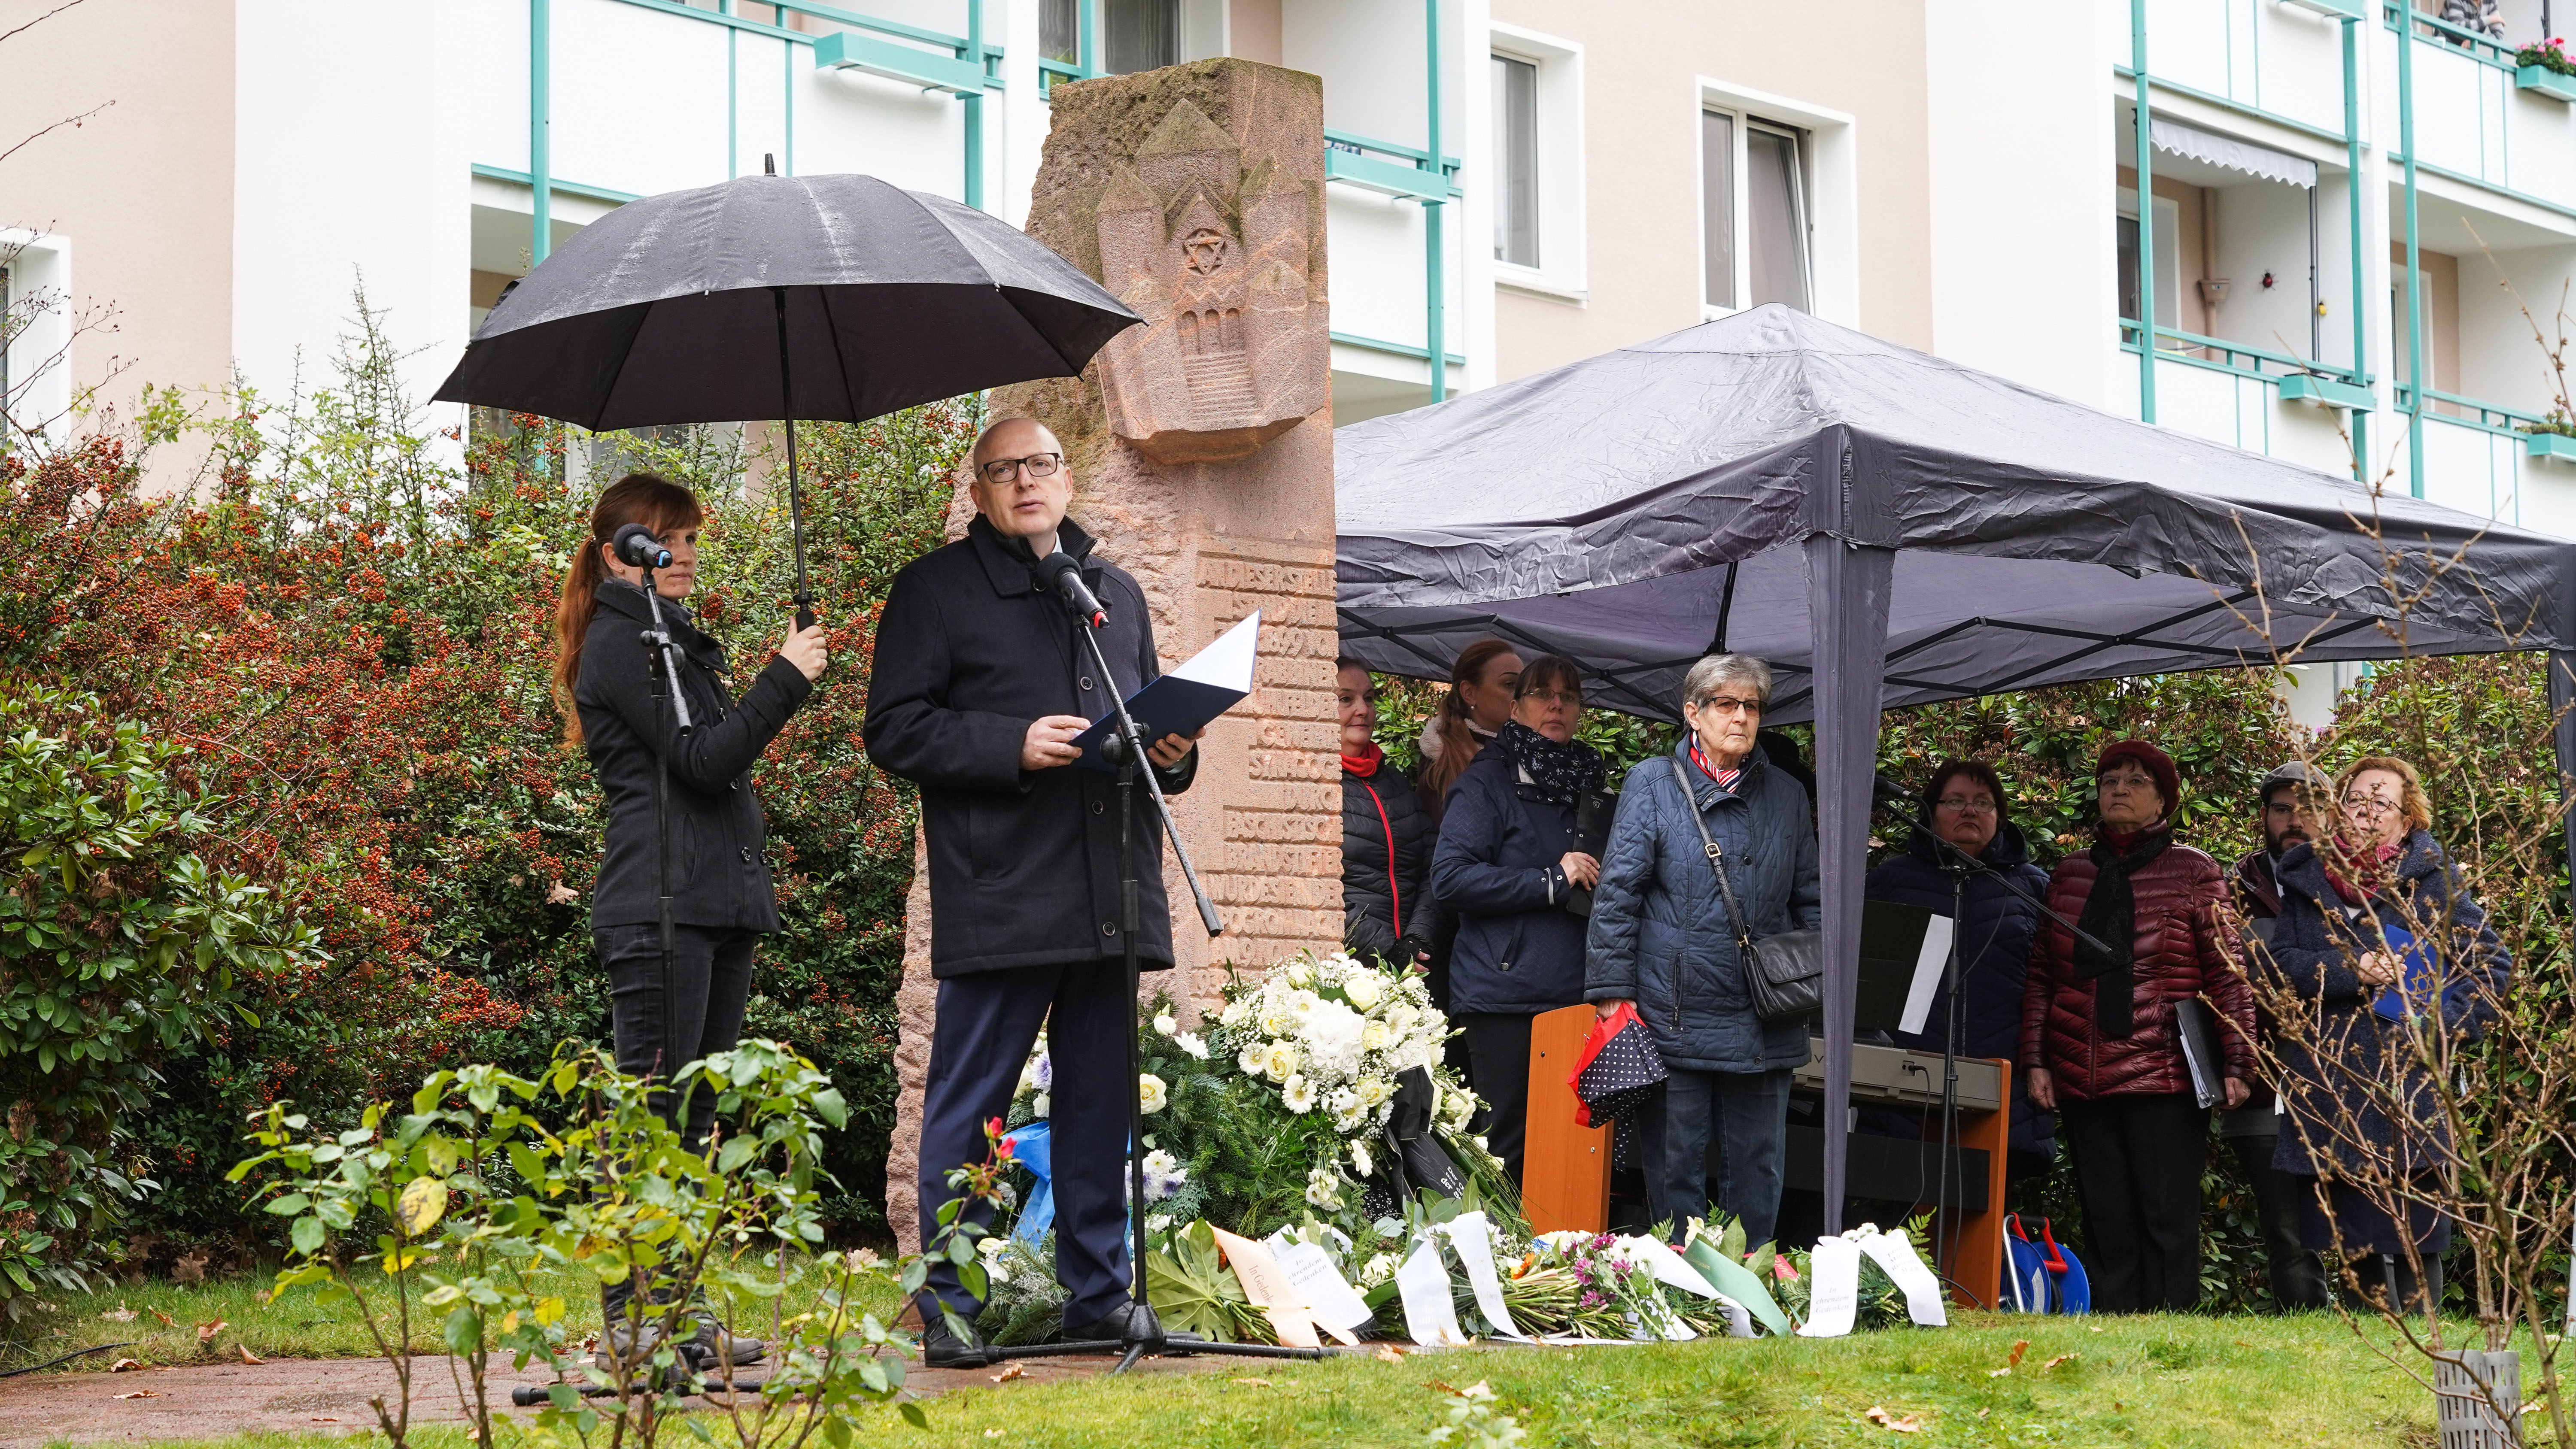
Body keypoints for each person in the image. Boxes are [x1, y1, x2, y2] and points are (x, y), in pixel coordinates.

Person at [862, 417, 1203, 1366]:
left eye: (1041, 465)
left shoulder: (1114, 593)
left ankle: (1099, 1295)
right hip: (1004, 886)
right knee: (974, 1105)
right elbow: (893, 727)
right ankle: (951, 1302)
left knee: (1101, 1101)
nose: (1025, 482)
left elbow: (1141, 720)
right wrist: (1005, 742)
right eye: (1004, 470)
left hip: (1110, 889)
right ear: (979, 491)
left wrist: (1174, 752)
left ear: (1064, 477)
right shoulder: (935, 590)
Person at [559, 471, 830, 1366]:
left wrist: (772, 675)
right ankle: (633, 1323)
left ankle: (683, 1315)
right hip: (658, 909)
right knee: (649, 1118)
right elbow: (706, 760)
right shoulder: (620, 645)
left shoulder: (670, 643)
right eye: (665, 541)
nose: (684, 558)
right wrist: (784, 678)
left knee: (693, 1122)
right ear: (618, 555)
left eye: (692, 541)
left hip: (714, 906)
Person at [2262, 756, 2509, 1320]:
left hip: (2409, 1090)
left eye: (2382, 802)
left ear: (2407, 818)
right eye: (2356, 800)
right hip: (2333, 1085)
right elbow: (2282, 968)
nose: (2367, 812)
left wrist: (2434, 1032)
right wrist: (2356, 968)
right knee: (2355, 1243)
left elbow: (2491, 971)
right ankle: (2372, 1366)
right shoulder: (2306, 877)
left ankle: (2428, 1359)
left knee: (2420, 1239)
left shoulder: (2435, 884)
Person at [1585, 654, 1820, 1246]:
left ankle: (1752, 1293)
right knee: (1675, 1168)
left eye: (1752, 706)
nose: (1741, 717)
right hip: (1674, 1013)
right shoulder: (1652, 783)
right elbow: (1618, 893)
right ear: (1693, 713)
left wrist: (1814, 984)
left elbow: (1812, 900)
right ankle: (1680, 1294)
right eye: (1726, 704)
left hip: (1765, 1014)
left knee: (1758, 1169)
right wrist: (1613, 993)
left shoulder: (1789, 795)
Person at [2020, 740, 2254, 1313]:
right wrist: (2036, 1060)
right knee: (2106, 1213)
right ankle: (2116, 1326)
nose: (2119, 790)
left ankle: (2174, 1329)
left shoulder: (2194, 871)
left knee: (2166, 1213)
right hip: (2083, 1072)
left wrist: (2240, 1062)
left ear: (2164, 801)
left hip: (2164, 1072)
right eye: (2110, 781)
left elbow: (2229, 974)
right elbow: (2043, 979)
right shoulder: (2070, 875)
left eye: (2136, 781)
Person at [1430, 652, 1603, 1187]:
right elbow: (1451, 878)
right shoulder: (1488, 782)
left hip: (1576, 995)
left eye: (1568, 695)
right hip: (1503, 997)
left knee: (1569, 1153)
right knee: (1504, 1149)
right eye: (1540, 693)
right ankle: (1489, 1265)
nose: (1556, 704)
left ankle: (1558, 1266)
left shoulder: (1590, 787)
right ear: (1517, 706)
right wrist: (1550, 880)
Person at [1863, 760, 2055, 1179]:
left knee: (1982, 1216)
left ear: (2000, 818)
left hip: (2005, 1089)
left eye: (1983, 803)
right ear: (1931, 810)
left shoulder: (2033, 888)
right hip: (1904, 1087)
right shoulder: (1890, 881)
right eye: (1955, 800)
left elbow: (2054, 984)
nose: (1970, 811)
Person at [2223, 761, 2334, 1311]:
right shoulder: (2232, 891)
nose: (2295, 819)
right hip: (2263, 1084)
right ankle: (2308, 1333)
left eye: (2309, 808)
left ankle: (2375, 1344)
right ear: (2264, 816)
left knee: (2364, 1230)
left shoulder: (2357, 888)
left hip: (2347, 1086)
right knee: (2287, 1235)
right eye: (2283, 808)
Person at [1339, 659, 1438, 967]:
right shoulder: (1310, 783)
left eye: (1369, 698)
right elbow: (1315, 888)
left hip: (1412, 964)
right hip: (1349, 968)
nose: (1363, 710)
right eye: (1346, 699)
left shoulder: (1395, 782)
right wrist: (1387, 950)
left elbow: (1434, 864)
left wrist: (1417, 940)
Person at [1416, 639, 1524, 824]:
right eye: (1509, 684)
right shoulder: (1441, 760)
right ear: (1469, 693)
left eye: (1525, 685)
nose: (1521, 695)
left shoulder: (1535, 753)